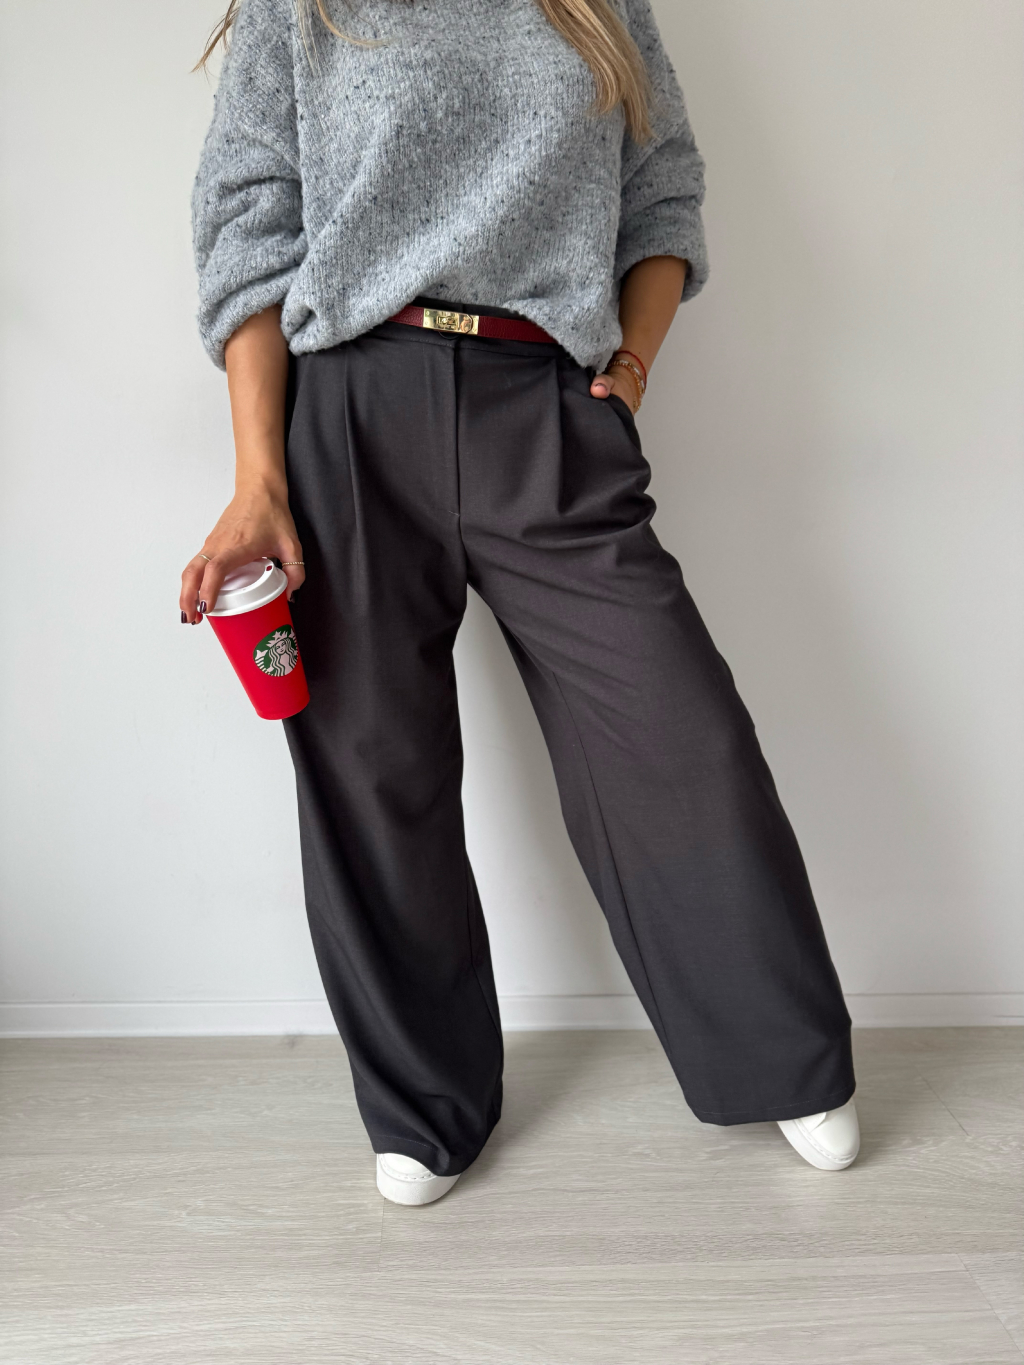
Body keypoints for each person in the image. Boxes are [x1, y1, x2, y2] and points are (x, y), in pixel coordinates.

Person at [181, 0, 860, 1205]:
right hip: (350, 407)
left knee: (677, 736)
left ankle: (778, 1056)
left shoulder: (595, 5)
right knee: (370, 766)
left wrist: (628, 373)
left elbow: (662, 197)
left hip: (544, 403)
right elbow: (249, 226)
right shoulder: (306, 6)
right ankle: (422, 1104)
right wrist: (259, 481)